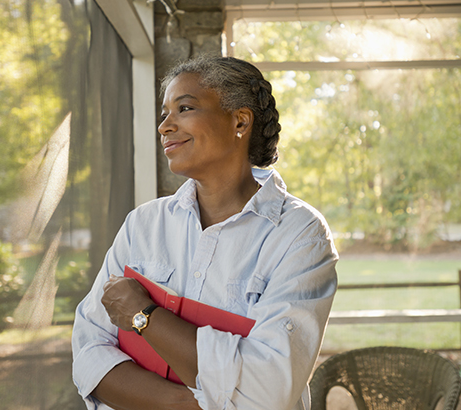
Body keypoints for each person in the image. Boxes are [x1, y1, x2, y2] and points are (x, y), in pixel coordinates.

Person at [72, 55, 338, 410]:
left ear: (240, 121)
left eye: (184, 108)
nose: (165, 126)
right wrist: (188, 403)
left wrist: (144, 315)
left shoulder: (300, 234)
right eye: (164, 114)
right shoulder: (143, 225)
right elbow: (88, 355)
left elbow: (268, 390)